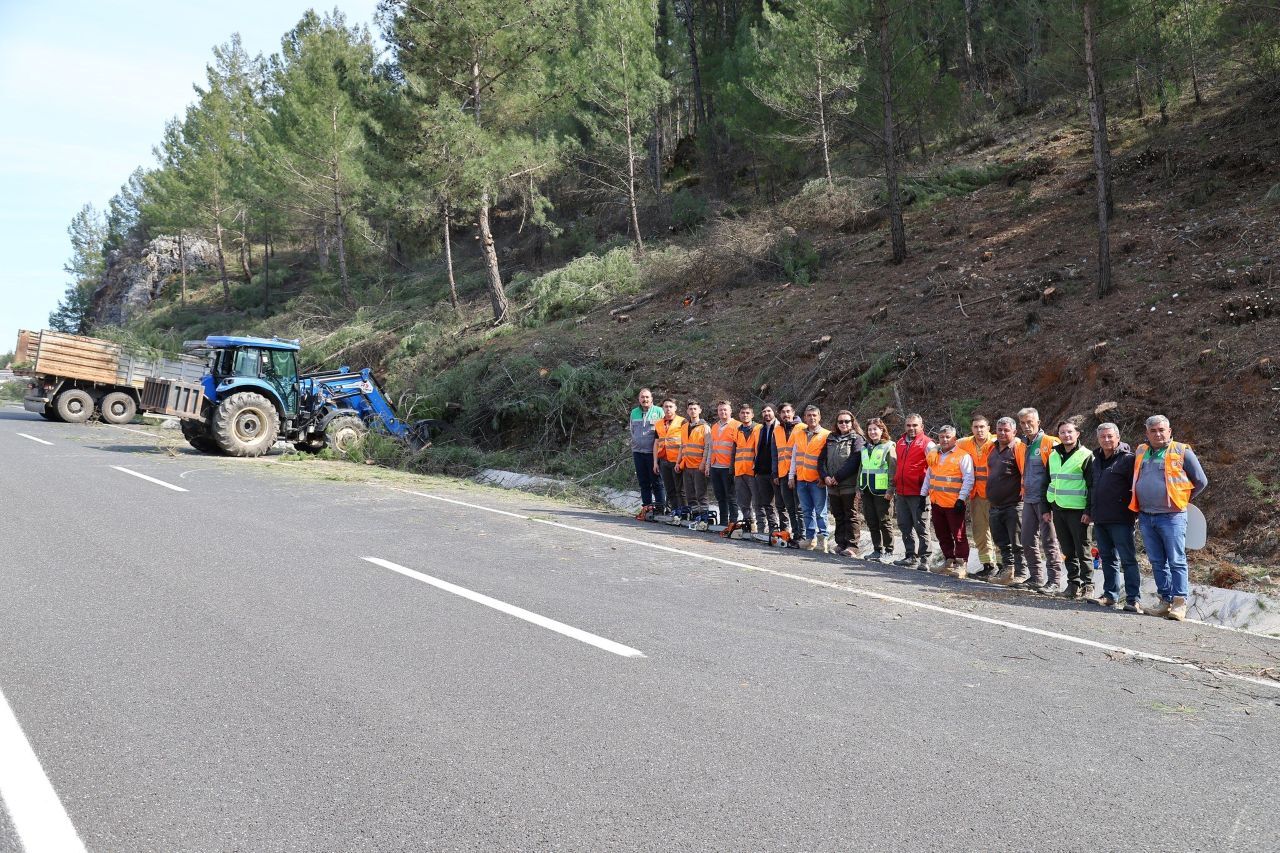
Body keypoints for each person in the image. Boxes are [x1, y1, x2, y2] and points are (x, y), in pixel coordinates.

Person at [1129, 415, 1209, 621]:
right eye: (1153, 431)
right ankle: (1165, 601)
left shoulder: (1182, 451)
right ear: (1147, 433)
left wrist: (1181, 499)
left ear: (1169, 431)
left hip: (1172, 516)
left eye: (1161, 430)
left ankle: (1180, 603)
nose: (1158, 434)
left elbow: (1201, 481)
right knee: (1157, 561)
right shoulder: (1141, 451)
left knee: (1176, 560)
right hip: (1146, 516)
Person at [1083, 423, 1141, 612]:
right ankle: (1110, 596)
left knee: (1128, 559)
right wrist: (1089, 511)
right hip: (1100, 518)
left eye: (1110, 436)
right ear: (1098, 439)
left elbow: (1136, 488)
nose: (1106, 440)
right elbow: (1092, 488)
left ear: (1118, 437)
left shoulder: (1128, 459)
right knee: (1107, 559)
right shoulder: (1096, 460)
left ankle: (1133, 599)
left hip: (1121, 518)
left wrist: (1135, 513)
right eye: (1103, 437)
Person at [1045, 420, 1095, 600]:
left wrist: (1089, 511)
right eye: (1063, 432)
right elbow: (1047, 482)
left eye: (1070, 432)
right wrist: (1046, 508)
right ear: (1058, 435)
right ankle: (1073, 584)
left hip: (1078, 510)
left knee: (1083, 549)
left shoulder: (1086, 455)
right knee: (1067, 549)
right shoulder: (1053, 455)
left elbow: (1092, 486)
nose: (1066, 435)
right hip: (1058, 508)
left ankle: (1088, 585)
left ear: (1077, 434)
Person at [1016, 407, 1064, 594]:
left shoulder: (1050, 442)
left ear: (1038, 422)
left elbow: (1058, 472)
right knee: (1027, 539)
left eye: (1030, 422)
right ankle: (1036, 577)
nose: (1026, 426)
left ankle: (1054, 580)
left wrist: (1052, 501)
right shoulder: (1022, 445)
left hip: (1046, 501)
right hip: (1028, 498)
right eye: (1023, 423)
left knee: (1049, 540)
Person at [922, 425, 975, 578]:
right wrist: (922, 494)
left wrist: (961, 498)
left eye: (948, 437)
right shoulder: (935, 455)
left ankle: (961, 564)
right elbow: (929, 476)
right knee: (942, 534)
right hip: (936, 502)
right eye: (942, 437)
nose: (945, 440)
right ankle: (949, 561)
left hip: (953, 503)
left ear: (954, 439)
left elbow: (968, 479)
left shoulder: (963, 456)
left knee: (958, 535)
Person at [987, 417, 1028, 586]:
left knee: (1018, 542)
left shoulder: (1018, 449)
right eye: (999, 430)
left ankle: (1021, 573)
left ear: (1014, 432)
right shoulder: (992, 448)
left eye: (1006, 430)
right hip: (995, 505)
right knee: (1001, 542)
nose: (1002, 433)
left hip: (1014, 505)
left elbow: (1025, 474)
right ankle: (1007, 571)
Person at [892, 413, 936, 571]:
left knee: (921, 526)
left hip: (919, 493)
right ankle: (910, 556)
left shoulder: (928, 444)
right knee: (904, 525)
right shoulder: (900, 442)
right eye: (908, 425)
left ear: (921, 426)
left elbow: (934, 468)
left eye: (915, 425)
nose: (911, 428)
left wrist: (928, 490)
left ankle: (925, 559)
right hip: (902, 492)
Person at [956, 415, 999, 579]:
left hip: (996, 495)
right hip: (977, 495)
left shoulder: (997, 442)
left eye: (982, 427)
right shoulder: (965, 443)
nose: (979, 430)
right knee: (980, 531)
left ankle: (1004, 566)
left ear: (989, 428)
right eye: (976, 427)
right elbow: (945, 444)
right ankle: (988, 565)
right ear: (972, 429)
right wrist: (933, 450)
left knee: (998, 531)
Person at [820, 411, 865, 557]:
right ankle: (841, 543)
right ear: (836, 423)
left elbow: (855, 461)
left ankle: (852, 546)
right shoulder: (830, 438)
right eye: (840, 421)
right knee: (838, 515)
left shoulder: (857, 439)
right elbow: (821, 460)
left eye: (847, 421)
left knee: (851, 515)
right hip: (832, 486)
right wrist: (825, 476)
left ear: (852, 422)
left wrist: (838, 477)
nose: (843, 424)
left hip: (849, 484)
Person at [789, 405, 832, 552]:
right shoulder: (799, 433)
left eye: (814, 415)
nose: (812, 418)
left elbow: (828, 459)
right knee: (806, 511)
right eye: (809, 415)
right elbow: (794, 456)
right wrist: (791, 475)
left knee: (820, 512)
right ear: (804, 418)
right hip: (801, 479)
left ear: (819, 417)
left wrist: (824, 476)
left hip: (817, 481)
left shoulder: (826, 435)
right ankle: (810, 539)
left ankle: (823, 540)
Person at [854, 417, 896, 560]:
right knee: (871, 521)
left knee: (884, 521)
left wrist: (891, 489)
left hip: (882, 491)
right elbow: (861, 469)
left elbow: (893, 470)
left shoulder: (889, 446)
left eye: (875, 429)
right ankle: (877, 550)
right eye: (870, 429)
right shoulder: (865, 447)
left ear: (882, 430)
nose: (872, 432)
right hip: (866, 490)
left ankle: (889, 551)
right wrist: (858, 488)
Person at [704, 401, 740, 527]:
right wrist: (708, 464)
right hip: (715, 466)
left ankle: (733, 521)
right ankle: (723, 521)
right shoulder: (714, 427)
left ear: (730, 411)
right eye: (720, 410)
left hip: (728, 467)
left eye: (725, 409)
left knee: (731, 496)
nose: (723, 412)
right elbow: (711, 447)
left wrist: (735, 467)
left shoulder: (737, 425)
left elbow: (739, 448)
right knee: (720, 496)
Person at [772, 402, 804, 542]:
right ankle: (795, 534)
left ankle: (802, 536)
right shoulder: (777, 430)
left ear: (793, 412)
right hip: (783, 473)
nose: (786, 414)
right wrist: (775, 473)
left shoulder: (802, 428)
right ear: (779, 415)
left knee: (800, 507)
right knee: (790, 507)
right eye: (783, 412)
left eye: (788, 411)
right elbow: (774, 454)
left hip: (799, 473)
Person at [629, 388, 665, 513]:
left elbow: (664, 432)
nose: (645, 399)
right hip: (638, 452)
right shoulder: (634, 412)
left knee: (657, 482)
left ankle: (660, 509)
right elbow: (632, 431)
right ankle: (647, 509)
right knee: (643, 482)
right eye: (642, 397)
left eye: (647, 397)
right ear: (639, 399)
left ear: (651, 399)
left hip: (653, 454)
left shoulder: (659, 411)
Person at [732, 403, 767, 532]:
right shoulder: (737, 430)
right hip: (739, 471)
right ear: (739, 415)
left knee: (758, 502)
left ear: (752, 415)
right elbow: (734, 451)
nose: (745, 415)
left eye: (747, 413)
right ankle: (749, 525)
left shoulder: (759, 429)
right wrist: (732, 469)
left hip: (753, 472)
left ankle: (762, 528)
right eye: (742, 413)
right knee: (743, 502)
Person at [677, 401, 711, 516]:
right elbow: (682, 446)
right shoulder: (684, 427)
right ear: (687, 411)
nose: (692, 411)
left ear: (700, 410)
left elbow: (708, 447)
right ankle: (695, 516)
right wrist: (678, 462)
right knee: (690, 494)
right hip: (686, 465)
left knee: (701, 494)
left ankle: (705, 517)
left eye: (695, 409)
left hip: (698, 466)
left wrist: (703, 463)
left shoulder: (705, 427)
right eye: (690, 409)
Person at [753, 404, 783, 535]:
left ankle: (784, 530)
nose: (766, 413)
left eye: (769, 411)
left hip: (776, 472)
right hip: (761, 472)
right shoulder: (760, 429)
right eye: (764, 411)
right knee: (767, 503)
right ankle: (772, 529)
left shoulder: (780, 428)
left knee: (780, 504)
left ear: (774, 412)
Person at [652, 399, 685, 513]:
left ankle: (684, 513)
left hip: (677, 460)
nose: (668, 409)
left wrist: (681, 461)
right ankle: (674, 511)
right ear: (663, 408)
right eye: (666, 407)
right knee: (669, 489)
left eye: (670, 406)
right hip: (664, 461)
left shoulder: (682, 421)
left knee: (680, 490)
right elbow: (656, 443)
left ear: (675, 408)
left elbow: (685, 442)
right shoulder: (659, 423)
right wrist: (655, 462)